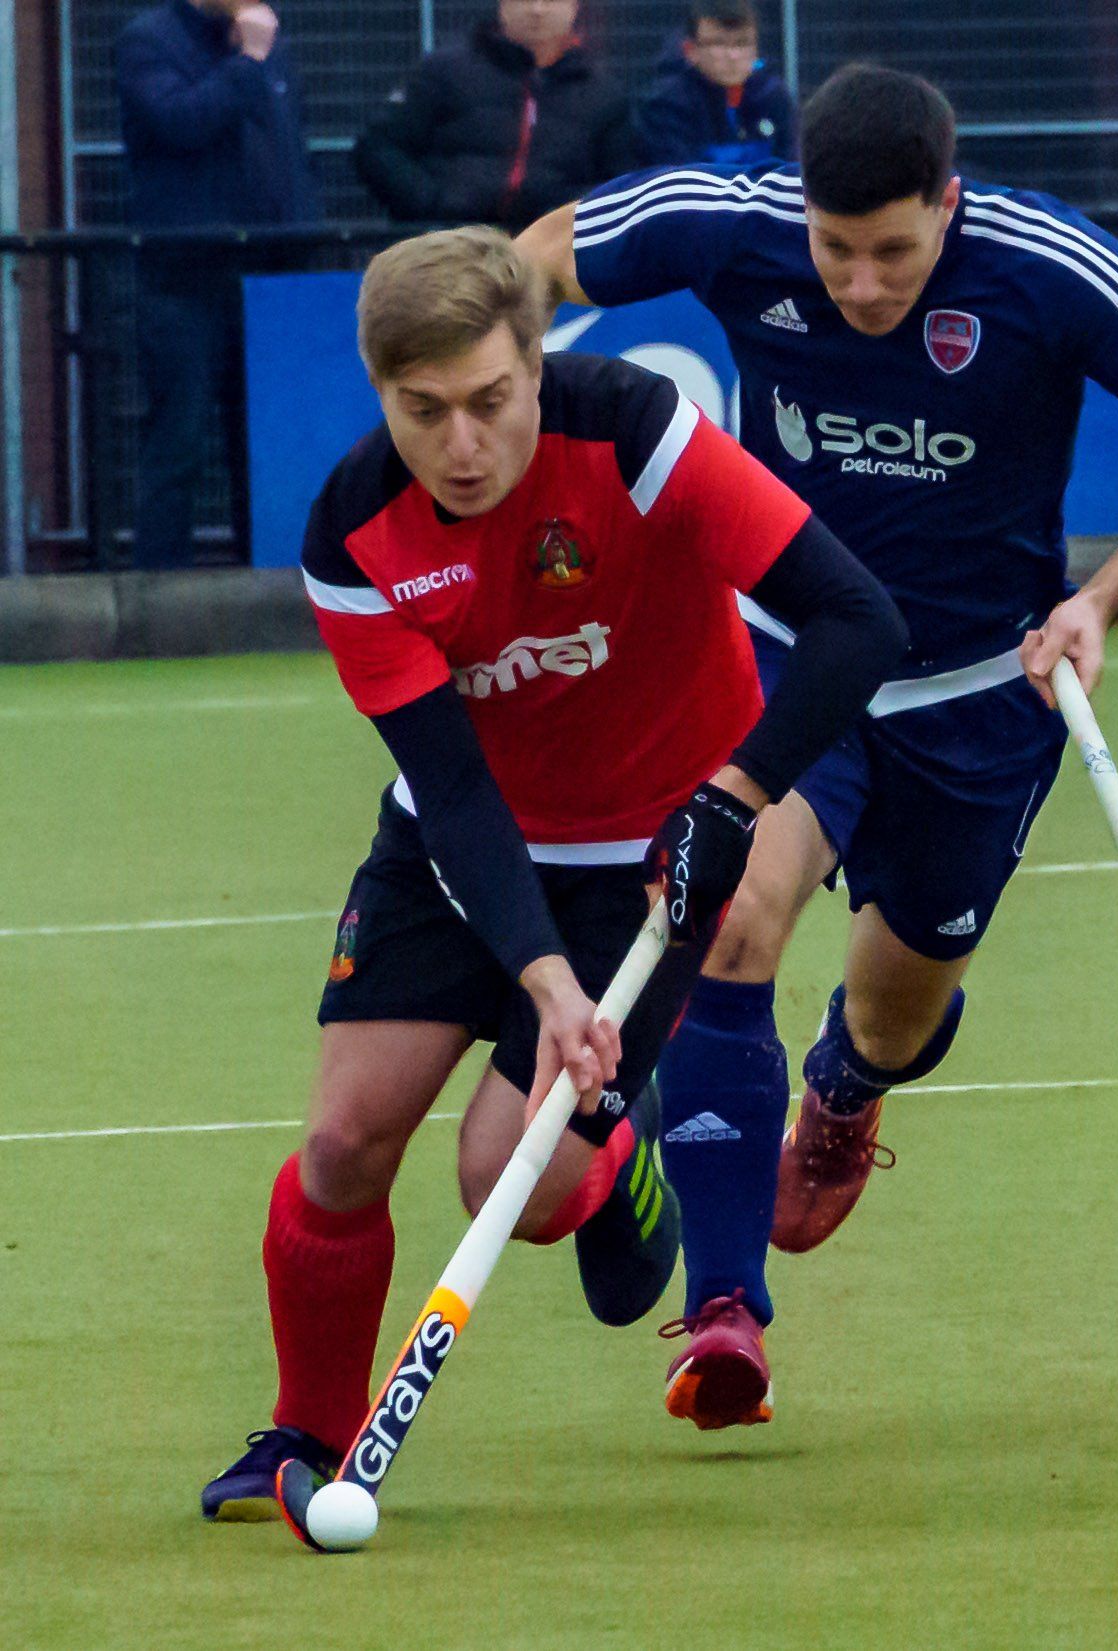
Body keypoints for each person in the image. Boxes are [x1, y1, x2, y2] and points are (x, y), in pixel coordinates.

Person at [516, 65, 1118, 1430]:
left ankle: (847, 1081)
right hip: (787, 655)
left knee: (896, 1010)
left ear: (948, 202)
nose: (861, 285)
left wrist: (1099, 600)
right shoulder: (731, 218)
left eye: (894, 253)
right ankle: (726, 1311)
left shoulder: (1047, 267)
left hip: (977, 692)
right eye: (835, 249)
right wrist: (509, 433)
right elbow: (530, 267)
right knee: (730, 916)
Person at [198, 225, 905, 1518]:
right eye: (423, 411)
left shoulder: (637, 434)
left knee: (505, 1181)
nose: (461, 444)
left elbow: (859, 618)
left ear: (535, 362)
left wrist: (735, 797)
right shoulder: (354, 534)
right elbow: (455, 789)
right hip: (459, 845)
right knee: (344, 1140)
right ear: (381, 394)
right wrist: (544, 982)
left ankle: (620, 1162)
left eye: (489, 400)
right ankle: (306, 1433)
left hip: (650, 855)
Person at [115, 0, 320, 570]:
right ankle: (158, 594)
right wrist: (248, 62)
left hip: (271, 275)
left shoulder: (269, 40)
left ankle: (273, 583)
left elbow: (288, 144)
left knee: (264, 439)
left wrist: (303, 226)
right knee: (178, 439)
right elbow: (180, 124)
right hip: (186, 280)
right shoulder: (149, 41)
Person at [355, 0, 632, 233]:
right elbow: (379, 148)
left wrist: (565, 219)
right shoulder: (444, 71)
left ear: (574, 6)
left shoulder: (603, 94)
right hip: (448, 246)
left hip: (551, 253)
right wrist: (432, 204)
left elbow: (623, 182)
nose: (537, 10)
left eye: (550, 0)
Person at [635, 1, 797, 169]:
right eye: (719, 43)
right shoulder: (666, 105)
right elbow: (673, 176)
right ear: (690, 50)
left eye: (742, 43)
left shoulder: (774, 97)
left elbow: (792, 167)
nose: (733, 55)